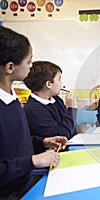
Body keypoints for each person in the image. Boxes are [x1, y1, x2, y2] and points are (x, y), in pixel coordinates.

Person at [0, 26, 67, 199]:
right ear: (10, 67)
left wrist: (42, 142)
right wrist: (33, 161)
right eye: (29, 62)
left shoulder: (12, 98)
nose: (31, 67)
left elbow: (14, 142)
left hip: (24, 181)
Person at [23, 61, 77, 154]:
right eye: (59, 79)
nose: (61, 83)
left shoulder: (55, 99)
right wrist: (72, 109)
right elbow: (61, 138)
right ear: (48, 84)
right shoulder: (35, 111)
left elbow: (71, 129)